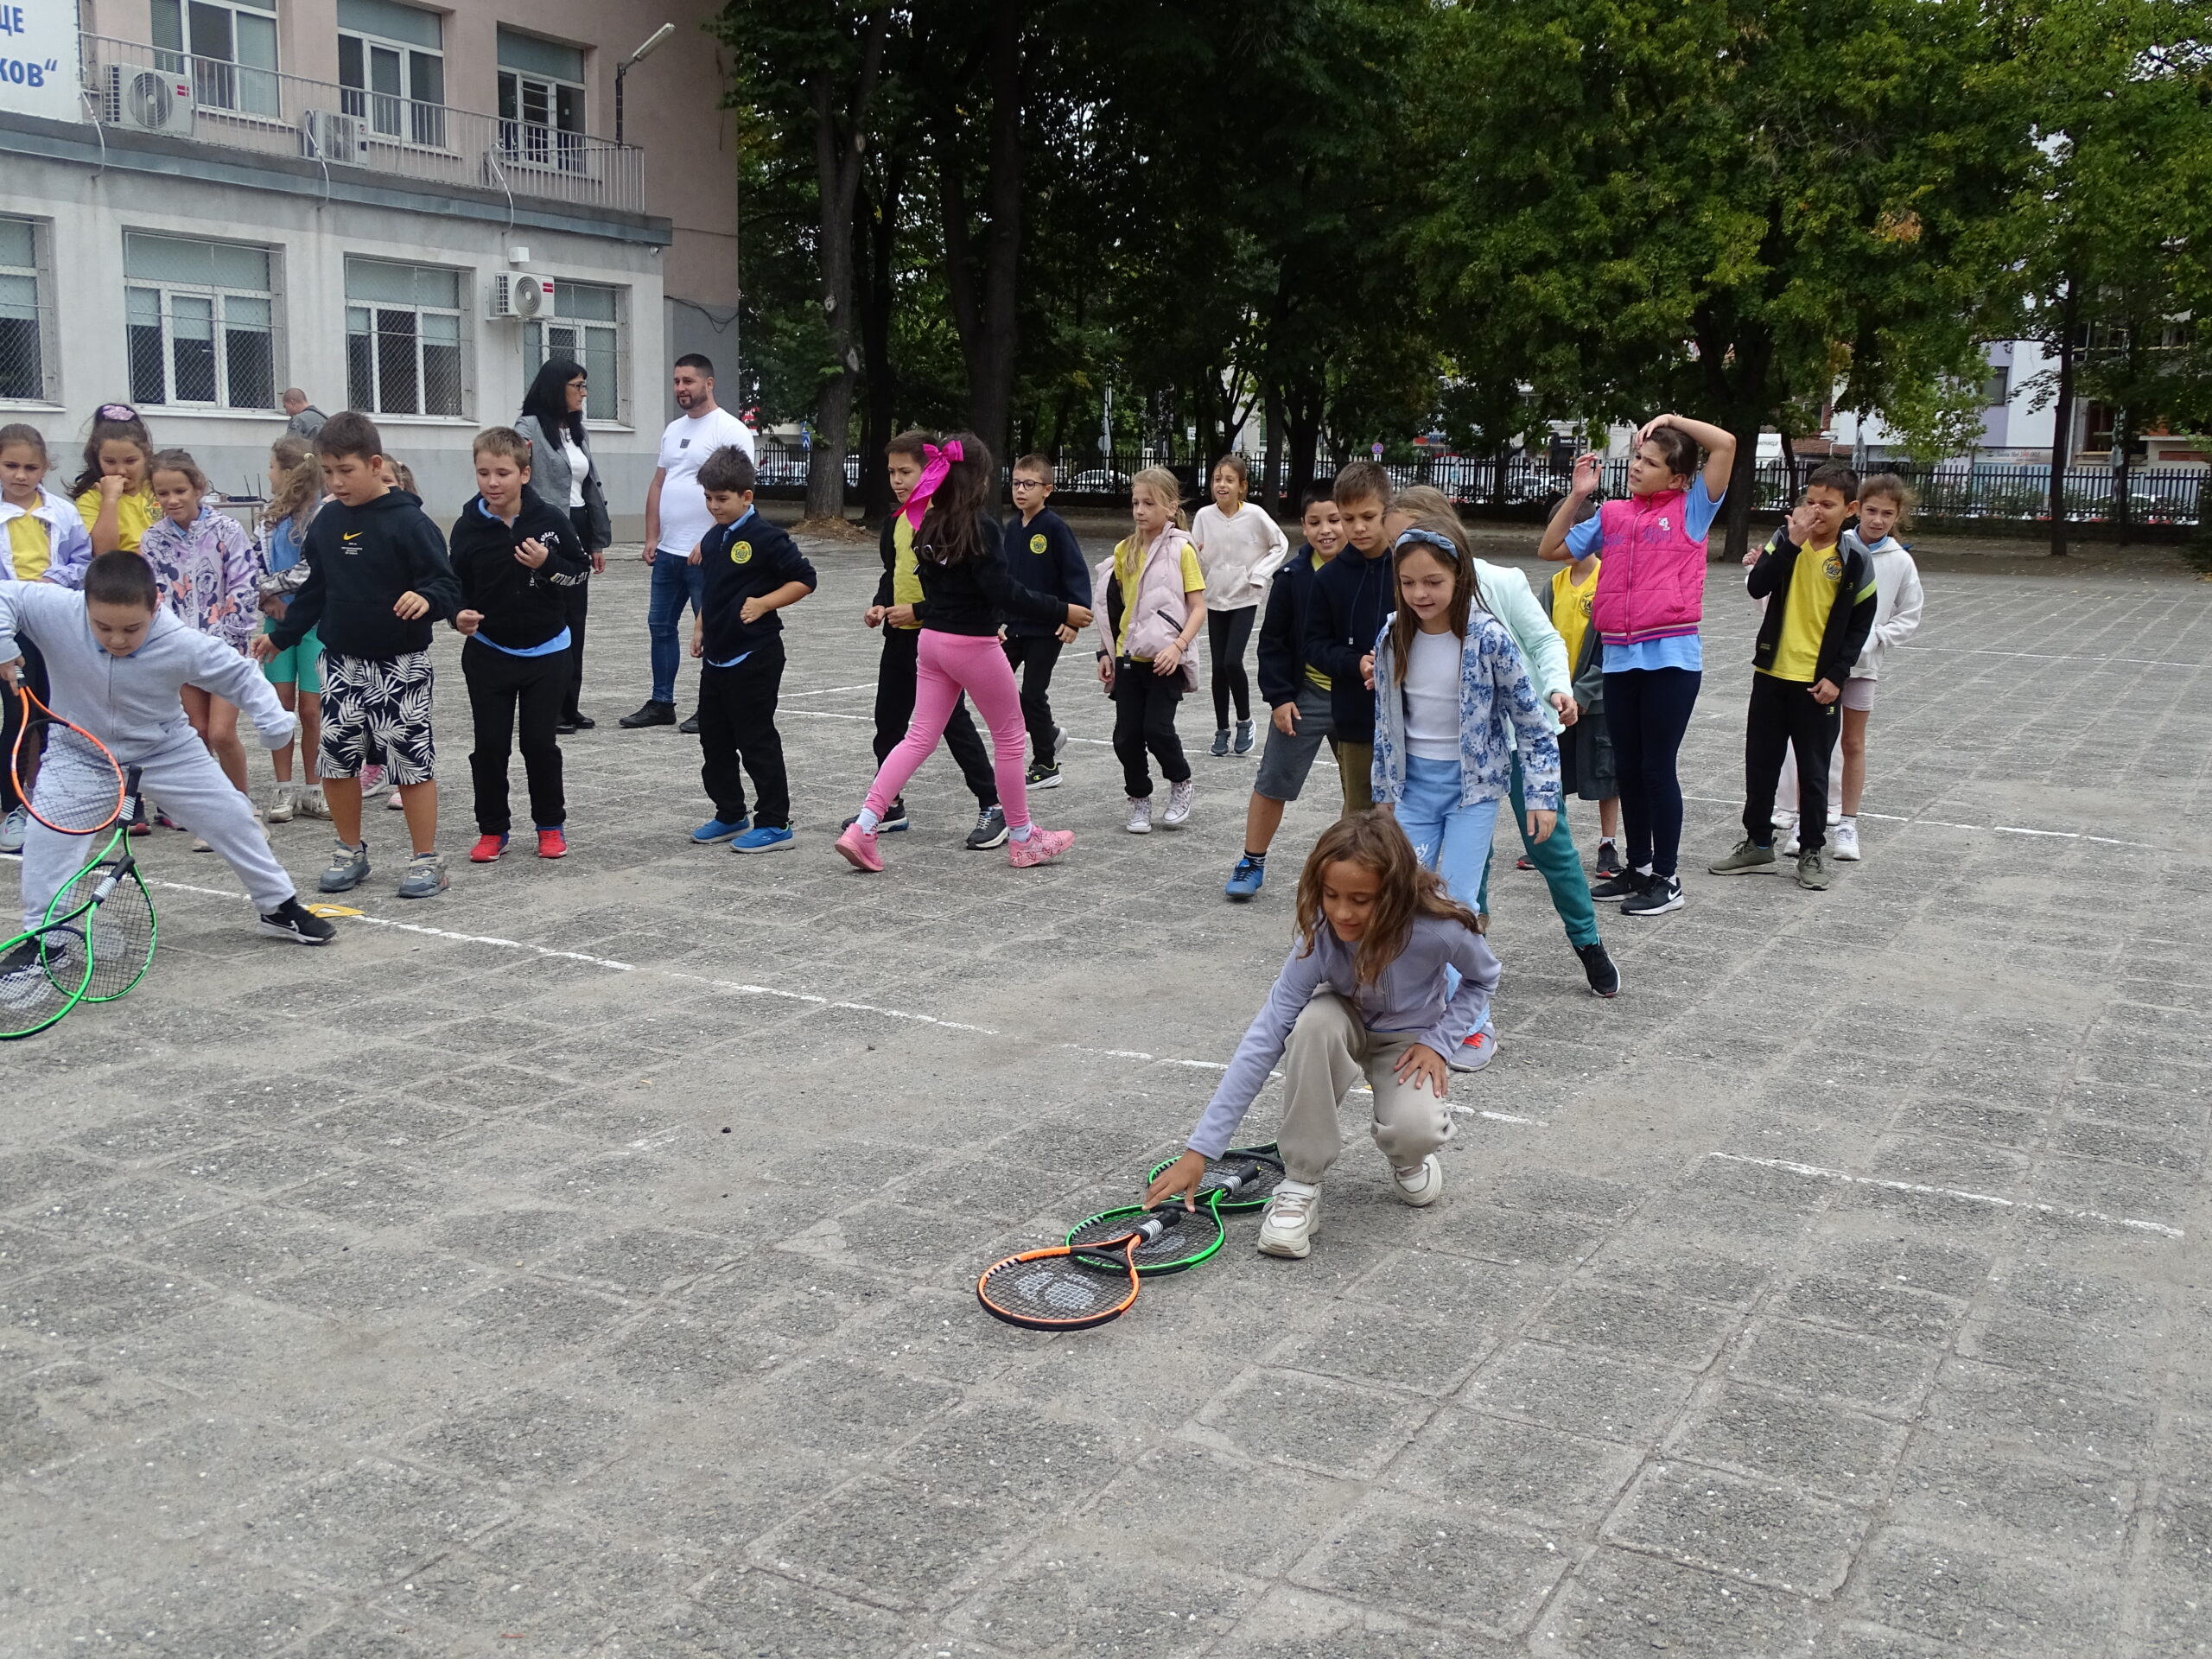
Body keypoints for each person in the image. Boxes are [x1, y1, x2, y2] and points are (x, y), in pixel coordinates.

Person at [1144, 811, 1497, 1260]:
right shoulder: (1320, 935)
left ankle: (1408, 1156)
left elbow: (1483, 979)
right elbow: (1265, 1035)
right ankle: (1300, 1184)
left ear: (1395, 892)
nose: (1342, 912)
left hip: (1409, 1038)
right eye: (1331, 895)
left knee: (1416, 1130)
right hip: (1342, 1018)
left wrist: (1439, 1042)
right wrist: (1201, 1150)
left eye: (1361, 899)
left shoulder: (1440, 928)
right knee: (1311, 1023)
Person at [1, 553, 334, 945]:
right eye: (103, 627)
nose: (117, 639)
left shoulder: (179, 640)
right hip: (79, 751)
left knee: (234, 817)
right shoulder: (56, 609)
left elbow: (239, 674)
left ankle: (278, 907)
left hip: (166, 750)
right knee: (47, 838)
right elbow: (5, 595)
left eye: (132, 628)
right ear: (84, 603)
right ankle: (44, 937)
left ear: (155, 606)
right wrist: (4, 645)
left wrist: (274, 722)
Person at [1389, 488, 1619, 1007]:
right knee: (1471, 857)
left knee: (1550, 845)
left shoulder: (1501, 582)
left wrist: (1556, 687)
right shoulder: (1411, 594)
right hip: (1454, 756)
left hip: (1514, 739)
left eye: (1410, 537)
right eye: (1397, 549)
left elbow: (1545, 640)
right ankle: (1469, 944)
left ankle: (1587, 941)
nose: (1405, 558)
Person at [835, 434, 1088, 874]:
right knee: (1010, 737)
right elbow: (1003, 592)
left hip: (931, 643)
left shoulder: (927, 521)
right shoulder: (981, 526)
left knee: (917, 738)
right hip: (971, 645)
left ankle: (865, 825)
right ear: (980, 479)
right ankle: (1023, 836)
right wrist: (1061, 609)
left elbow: (940, 590)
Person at [1368, 523, 1563, 1071]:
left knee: (1456, 908)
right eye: (1408, 583)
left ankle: (1474, 1024)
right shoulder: (1392, 635)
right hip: (1411, 791)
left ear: (1460, 577)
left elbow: (1532, 723)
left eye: (1433, 581)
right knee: (1402, 898)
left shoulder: (1490, 638)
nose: (1420, 594)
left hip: (1472, 793)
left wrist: (1543, 794)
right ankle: (1416, 1008)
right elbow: (1385, 722)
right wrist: (1383, 794)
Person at [254, 411, 461, 900]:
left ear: (374, 464)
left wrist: (427, 599)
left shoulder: (411, 522)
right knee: (337, 761)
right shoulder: (327, 522)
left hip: (400, 664)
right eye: (328, 472)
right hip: (340, 663)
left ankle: (426, 859)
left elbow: (447, 584)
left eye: (345, 470)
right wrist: (283, 636)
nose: (336, 482)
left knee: (410, 763)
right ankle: (349, 850)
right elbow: (315, 590)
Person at [1539, 411, 1738, 917]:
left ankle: (1668, 879)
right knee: (1627, 768)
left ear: (1677, 478)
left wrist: (1671, 419)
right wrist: (1578, 495)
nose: (1636, 466)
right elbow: (1550, 548)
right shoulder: (1613, 515)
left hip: (1671, 659)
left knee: (1656, 767)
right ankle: (1639, 867)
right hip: (1620, 659)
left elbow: (1725, 444)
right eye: (1635, 458)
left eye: (1649, 462)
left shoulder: (1693, 509)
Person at [1708, 463, 1877, 891]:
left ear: (1850, 509)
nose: (1816, 511)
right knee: (1760, 764)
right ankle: (1758, 843)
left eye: (1828, 505)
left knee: (1814, 772)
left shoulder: (1855, 558)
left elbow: (1860, 625)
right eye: (1811, 501)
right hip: (1771, 673)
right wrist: (1791, 543)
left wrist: (1837, 676)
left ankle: (1812, 850)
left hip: (1817, 684)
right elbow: (1757, 585)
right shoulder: (1785, 540)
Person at [852, 429, 1007, 849]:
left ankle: (993, 804)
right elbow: (893, 574)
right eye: (891, 472)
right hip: (899, 638)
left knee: (955, 727)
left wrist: (918, 612)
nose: (897, 480)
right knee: (887, 722)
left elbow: (957, 590)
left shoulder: (946, 523)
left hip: (941, 641)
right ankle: (890, 806)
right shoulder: (896, 522)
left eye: (905, 472)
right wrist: (880, 605)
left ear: (933, 471)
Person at [448, 427, 589, 865]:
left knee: (539, 745)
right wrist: (457, 615)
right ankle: (493, 829)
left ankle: (550, 825)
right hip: (489, 652)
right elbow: (453, 586)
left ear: (524, 474)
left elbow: (580, 572)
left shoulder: (550, 521)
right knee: (490, 747)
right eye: (483, 473)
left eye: (503, 473)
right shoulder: (467, 527)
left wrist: (548, 564)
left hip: (548, 653)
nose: (492, 482)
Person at [1772, 473, 1923, 862]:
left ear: (1898, 516)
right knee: (1811, 746)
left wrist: (1874, 639)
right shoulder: (1838, 545)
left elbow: (1909, 615)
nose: (1877, 519)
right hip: (1819, 665)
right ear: (1856, 509)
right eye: (1871, 510)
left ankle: (1848, 823)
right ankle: (1805, 821)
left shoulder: (1900, 561)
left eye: (1886, 513)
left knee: (1852, 743)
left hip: (1862, 667)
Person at [687, 447, 817, 854]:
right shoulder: (714, 537)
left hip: (755, 656)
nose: (714, 506)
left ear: (747, 496)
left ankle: (775, 822)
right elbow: (713, 591)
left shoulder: (767, 538)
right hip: (717, 657)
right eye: (708, 498)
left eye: (722, 499)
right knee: (714, 741)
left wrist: (764, 603)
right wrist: (700, 627)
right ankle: (730, 813)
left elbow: (805, 579)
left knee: (756, 740)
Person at [623, 354, 756, 732]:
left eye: (688, 381)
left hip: (706, 555)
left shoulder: (730, 430)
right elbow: (659, 484)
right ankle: (661, 702)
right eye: (676, 381)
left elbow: (742, 495)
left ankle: (711, 706)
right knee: (660, 626)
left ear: (709, 383)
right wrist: (652, 536)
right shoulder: (673, 430)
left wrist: (712, 540)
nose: (680, 388)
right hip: (669, 552)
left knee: (712, 628)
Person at [1224, 486, 1344, 900]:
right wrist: (1279, 697)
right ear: (1303, 528)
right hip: (1305, 695)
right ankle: (1251, 860)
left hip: (1359, 697)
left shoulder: (1371, 570)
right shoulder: (1292, 577)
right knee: (1273, 780)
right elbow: (1273, 642)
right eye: (1315, 522)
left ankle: (1363, 868)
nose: (1326, 530)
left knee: (1365, 790)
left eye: (1335, 520)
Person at [139, 450, 259, 816]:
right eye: (163, 493)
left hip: (224, 649)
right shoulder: (152, 540)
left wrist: (228, 636)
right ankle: (208, 811)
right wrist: (169, 642)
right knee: (199, 732)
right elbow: (154, 595)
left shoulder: (228, 530)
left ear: (197, 488)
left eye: (180, 491)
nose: (172, 500)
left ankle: (241, 808)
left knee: (222, 733)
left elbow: (244, 585)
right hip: (182, 651)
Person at [1094, 466, 1205, 834]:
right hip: (1128, 658)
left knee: (1157, 730)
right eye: (1135, 503)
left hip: (1164, 660)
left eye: (1149, 503)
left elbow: (1198, 608)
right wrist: (1105, 652)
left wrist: (1178, 647)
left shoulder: (1182, 550)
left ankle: (1181, 780)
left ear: (1171, 507)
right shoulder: (1123, 550)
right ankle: (1139, 798)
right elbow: (1113, 609)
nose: (1140, 510)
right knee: (1126, 737)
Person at [0, 425, 92, 855]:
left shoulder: (62, 512)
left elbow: (82, 562)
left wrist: (54, 579)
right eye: (11, 466)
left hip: (52, 622)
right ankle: (13, 807)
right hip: (7, 626)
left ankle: (51, 799)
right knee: (18, 716)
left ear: (45, 468)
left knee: (56, 712)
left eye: (31, 467)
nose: (21, 475)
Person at [513, 358, 612, 734]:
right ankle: (547, 709)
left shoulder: (577, 432)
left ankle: (570, 705)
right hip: (546, 530)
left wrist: (597, 542)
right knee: (550, 617)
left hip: (579, 526)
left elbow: (589, 487)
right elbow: (519, 476)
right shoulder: (528, 427)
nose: (584, 393)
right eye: (578, 386)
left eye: (585, 386)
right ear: (557, 387)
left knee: (575, 619)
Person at [1305, 460, 1395, 815]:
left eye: (1368, 517)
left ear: (1387, 510)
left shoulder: (1409, 568)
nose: (1358, 527)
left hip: (1414, 718)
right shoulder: (1328, 578)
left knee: (1411, 817)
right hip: (1357, 717)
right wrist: (1354, 663)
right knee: (1361, 816)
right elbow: (1314, 645)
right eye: (1348, 518)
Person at [1191, 454, 1291, 758]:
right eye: (1217, 479)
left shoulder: (1256, 515)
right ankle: (1222, 729)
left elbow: (1280, 544)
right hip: (1214, 597)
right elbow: (1194, 555)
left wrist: (1258, 575)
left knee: (1233, 661)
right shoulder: (1204, 516)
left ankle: (1245, 721)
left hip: (1244, 597)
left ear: (1242, 486)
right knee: (1218, 667)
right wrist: (1196, 559)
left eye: (1229, 480)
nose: (1222, 485)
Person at [1001, 454, 1089, 791]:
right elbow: (1003, 581)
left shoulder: (1054, 528)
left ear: (1047, 489)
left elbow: (1076, 574)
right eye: (1016, 483)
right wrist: (996, 619)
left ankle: (1046, 763)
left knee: (1034, 694)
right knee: (995, 685)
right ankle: (1048, 733)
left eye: (1029, 484)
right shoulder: (1012, 529)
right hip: (1014, 627)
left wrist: (1073, 618)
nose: (1021, 490)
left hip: (1046, 629)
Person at [255, 436, 327, 825]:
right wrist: (267, 600)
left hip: (316, 624)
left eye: (271, 466)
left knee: (312, 710)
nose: (268, 474)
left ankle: (315, 788)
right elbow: (252, 565)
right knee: (280, 706)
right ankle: (283, 788)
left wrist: (272, 588)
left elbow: (311, 570)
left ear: (288, 472)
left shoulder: (323, 515)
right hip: (277, 623)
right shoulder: (267, 519)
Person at [72, 404, 159, 556]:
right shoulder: (90, 499)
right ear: (97, 459)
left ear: (146, 455)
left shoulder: (160, 489)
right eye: (110, 462)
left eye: (130, 461)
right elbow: (104, 554)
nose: (121, 471)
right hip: (121, 568)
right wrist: (110, 500)